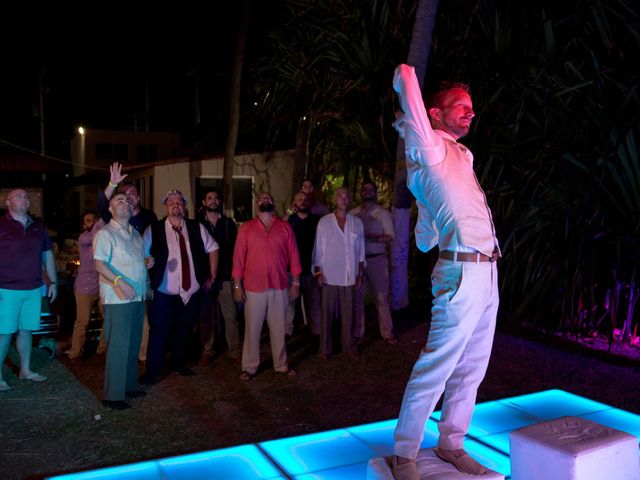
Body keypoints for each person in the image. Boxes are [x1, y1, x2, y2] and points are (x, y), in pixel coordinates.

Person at [390, 64, 500, 479]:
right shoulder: (428, 145)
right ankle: (404, 454)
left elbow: (424, 238)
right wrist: (409, 94)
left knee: (473, 366)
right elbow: (405, 75)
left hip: (487, 272)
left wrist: (426, 204)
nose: (471, 113)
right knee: (437, 365)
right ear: (433, 115)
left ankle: (452, 443)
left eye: (472, 108)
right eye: (461, 107)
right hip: (462, 272)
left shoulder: (459, 154)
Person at [140, 190, 219, 384]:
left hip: (191, 292)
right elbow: (141, 253)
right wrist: (147, 269)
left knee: (184, 330)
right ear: (166, 206)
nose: (176, 204)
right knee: (159, 331)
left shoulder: (196, 227)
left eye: (179, 202)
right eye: (171, 202)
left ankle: (178, 364)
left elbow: (213, 248)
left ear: (184, 206)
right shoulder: (154, 229)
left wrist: (212, 275)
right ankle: (153, 371)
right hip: (163, 292)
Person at [232, 192, 301, 380]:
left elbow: (294, 256)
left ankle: (281, 364)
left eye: (268, 198)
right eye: (261, 199)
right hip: (253, 287)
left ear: (273, 203)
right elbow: (238, 258)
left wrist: (295, 281)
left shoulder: (285, 228)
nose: (265, 200)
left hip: (279, 285)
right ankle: (249, 366)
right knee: (252, 328)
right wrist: (237, 285)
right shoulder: (246, 228)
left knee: (279, 327)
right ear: (257, 205)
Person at [93, 193, 151, 410]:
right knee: (118, 345)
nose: (125, 203)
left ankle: (129, 385)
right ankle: (113, 395)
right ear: (110, 209)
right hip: (117, 298)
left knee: (133, 343)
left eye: (127, 200)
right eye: (119, 200)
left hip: (137, 295)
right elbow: (99, 264)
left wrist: (148, 263)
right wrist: (118, 281)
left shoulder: (135, 234)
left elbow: (138, 262)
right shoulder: (105, 233)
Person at [98, 162, 157, 363]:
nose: (128, 198)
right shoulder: (109, 226)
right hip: (118, 291)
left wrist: (148, 263)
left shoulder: (146, 220)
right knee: (118, 337)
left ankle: (137, 363)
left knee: (139, 329)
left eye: (131, 194)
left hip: (139, 287)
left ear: (138, 198)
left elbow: (148, 248)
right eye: (122, 196)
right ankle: (115, 384)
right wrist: (112, 184)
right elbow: (101, 203)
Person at [0, 189, 57, 391]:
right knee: (4, 333)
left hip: (33, 288)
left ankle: (25, 370)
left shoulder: (38, 227)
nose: (24, 199)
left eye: (26, 197)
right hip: (6, 289)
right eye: (18, 196)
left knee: (26, 330)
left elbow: (48, 255)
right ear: (8, 202)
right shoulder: (1, 224)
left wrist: (53, 282)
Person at [312, 187, 364, 359]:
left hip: (349, 277)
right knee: (326, 314)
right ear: (335, 199)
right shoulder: (324, 223)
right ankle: (324, 349)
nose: (343, 199)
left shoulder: (357, 223)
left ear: (349, 200)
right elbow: (318, 251)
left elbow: (361, 251)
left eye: (346, 196)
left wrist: (360, 273)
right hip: (329, 276)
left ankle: (348, 347)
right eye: (340, 196)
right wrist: (318, 274)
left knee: (348, 315)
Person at [197, 187, 241, 365]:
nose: (213, 200)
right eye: (209, 198)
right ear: (204, 202)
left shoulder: (228, 224)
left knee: (230, 315)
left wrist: (235, 273)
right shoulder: (197, 223)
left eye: (216, 198)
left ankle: (235, 350)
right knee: (206, 316)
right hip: (205, 278)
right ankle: (207, 350)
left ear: (220, 202)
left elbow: (236, 250)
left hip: (225, 276)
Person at [350, 181, 396, 345]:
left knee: (382, 298)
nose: (367, 192)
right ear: (361, 193)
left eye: (370, 190)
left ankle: (387, 333)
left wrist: (375, 237)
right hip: (359, 263)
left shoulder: (383, 213)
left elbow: (391, 236)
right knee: (358, 297)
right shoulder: (353, 214)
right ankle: (358, 332)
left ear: (375, 193)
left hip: (377, 259)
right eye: (364, 189)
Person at [68, 211, 106, 365]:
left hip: (102, 284)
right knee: (83, 321)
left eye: (94, 219)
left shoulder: (103, 238)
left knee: (109, 318)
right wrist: (102, 219)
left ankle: (102, 348)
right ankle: (75, 353)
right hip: (84, 286)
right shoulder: (84, 238)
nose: (92, 222)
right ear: (84, 225)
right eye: (89, 221)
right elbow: (92, 237)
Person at [286, 191, 321, 336]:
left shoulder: (317, 221)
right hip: (291, 271)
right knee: (290, 304)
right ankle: (287, 332)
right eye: (299, 199)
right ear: (294, 203)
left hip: (311, 270)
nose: (303, 201)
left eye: (305, 199)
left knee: (313, 303)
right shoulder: (288, 221)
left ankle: (317, 332)